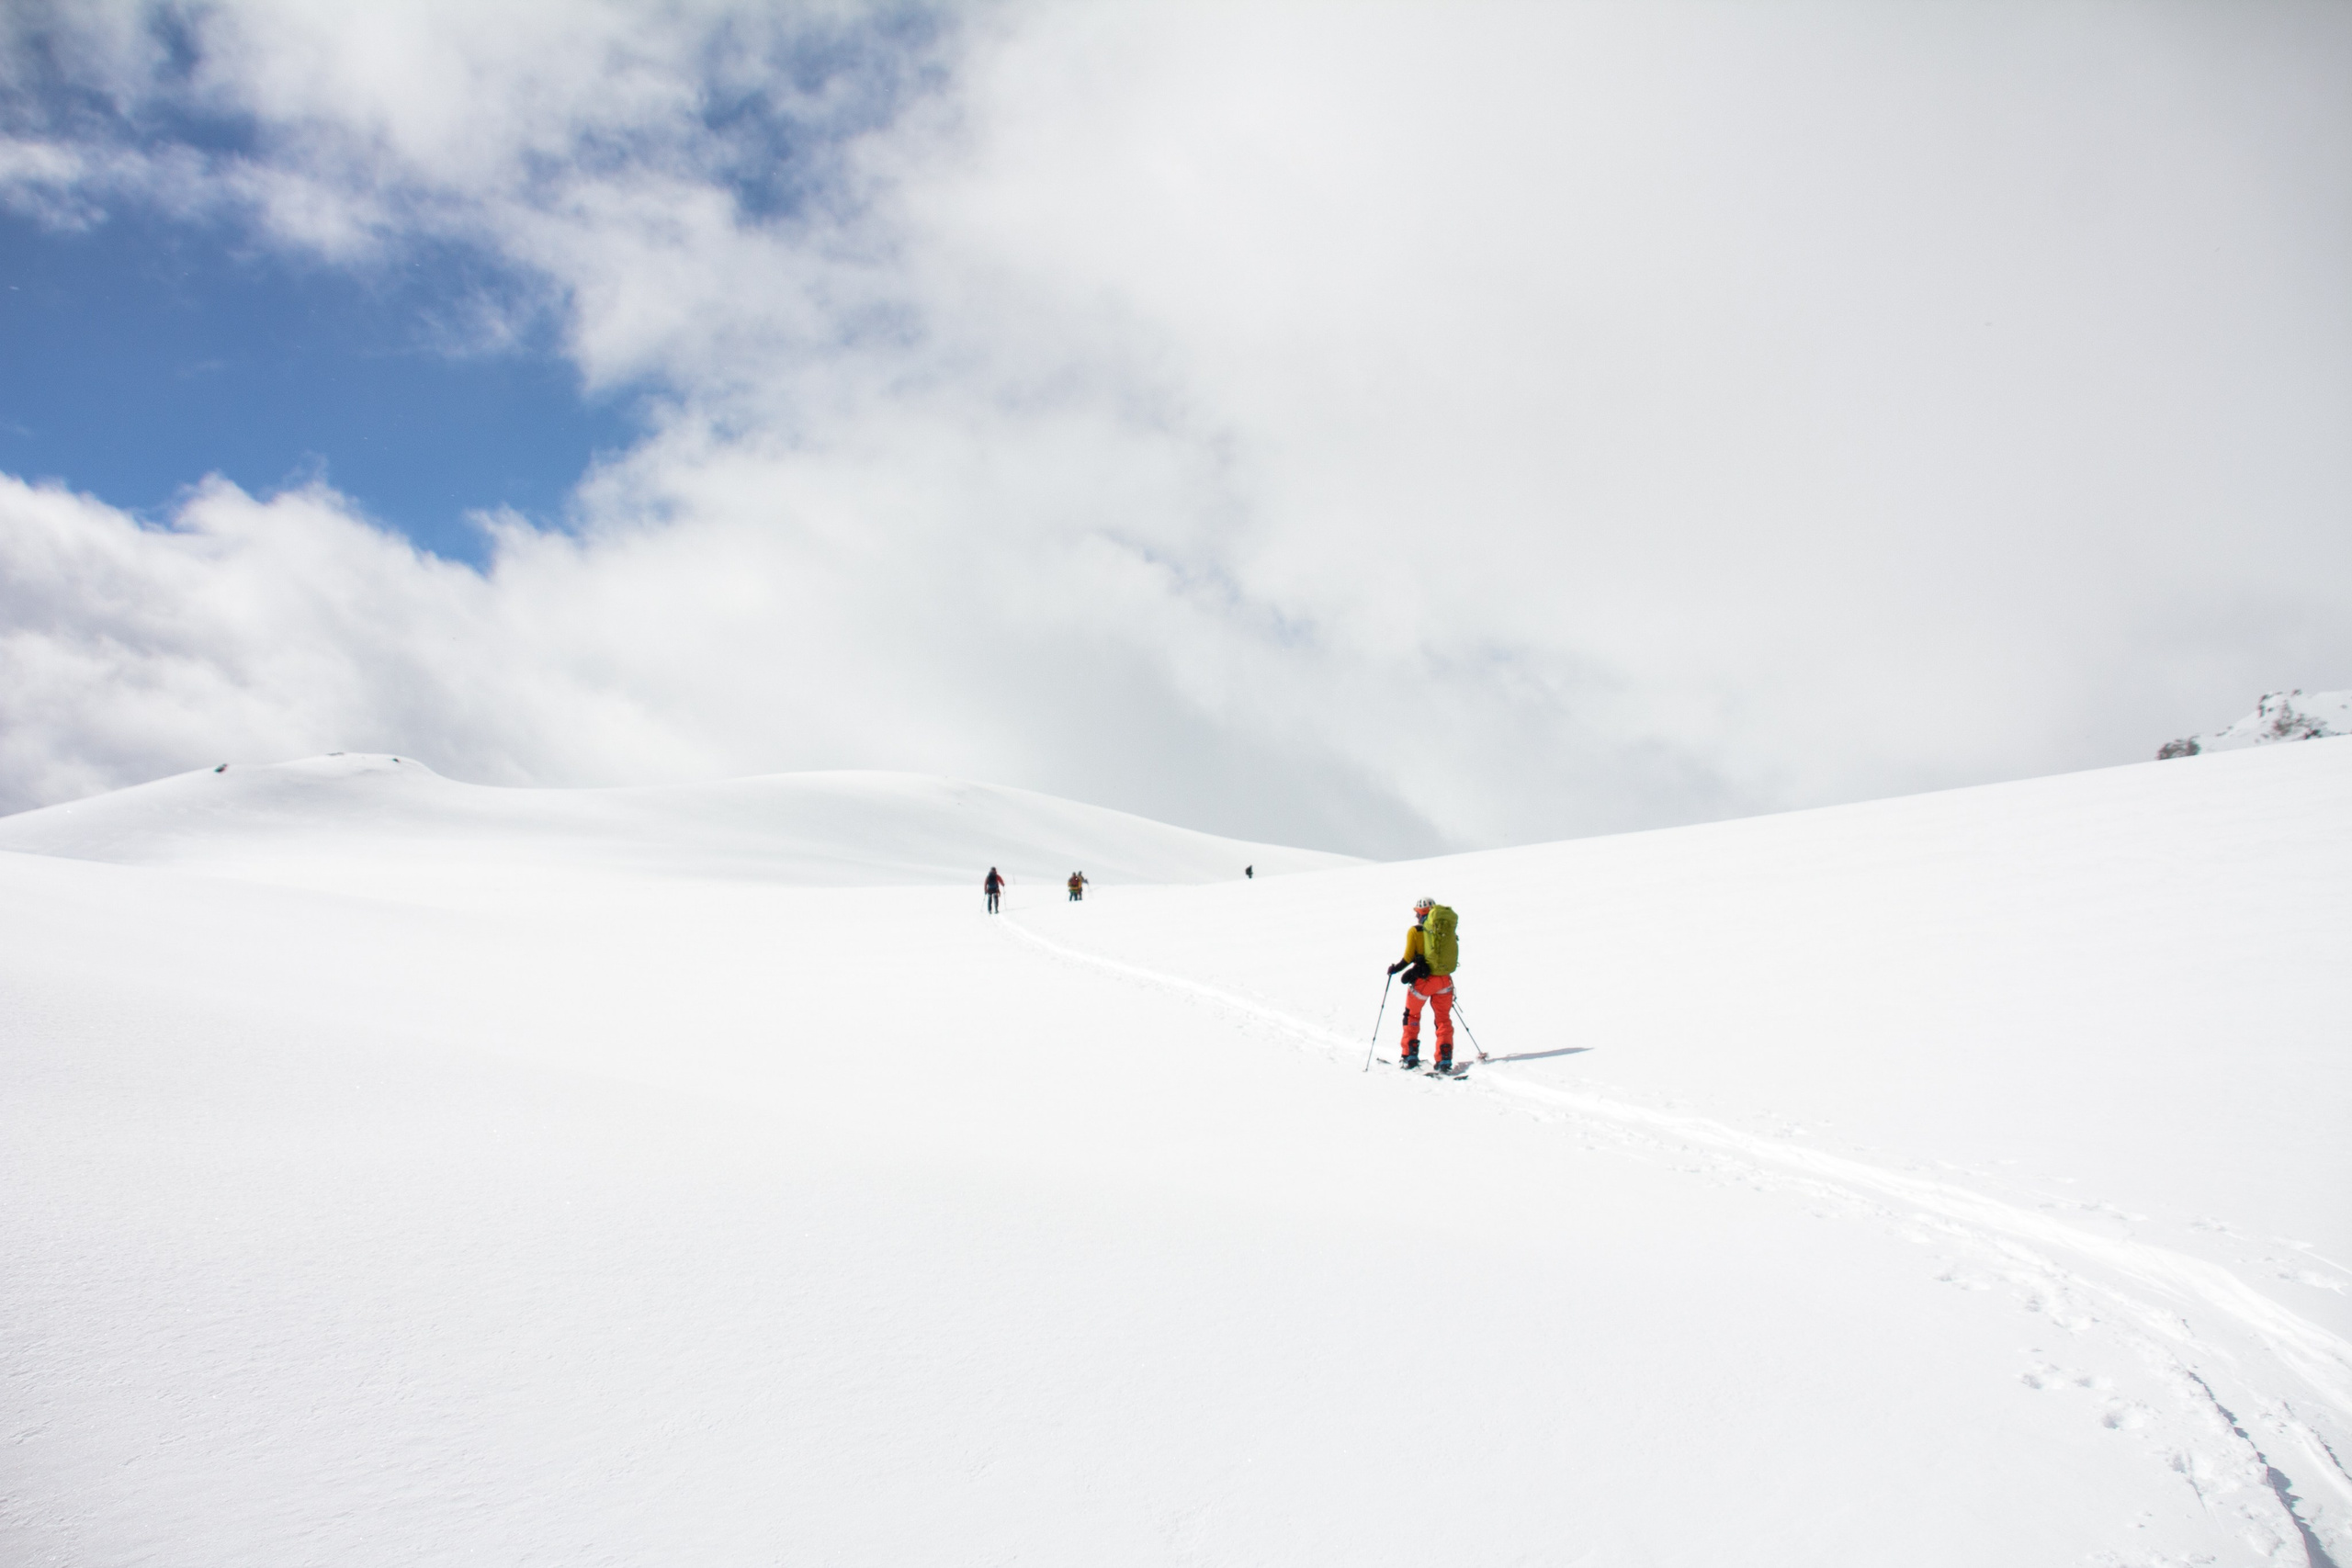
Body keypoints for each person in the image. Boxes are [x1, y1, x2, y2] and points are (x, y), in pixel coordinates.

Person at [1385, 896, 1457, 1073]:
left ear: (1419, 913)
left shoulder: (1416, 931)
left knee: (1412, 1016)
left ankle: (1410, 1056)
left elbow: (1408, 958)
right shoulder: (1444, 932)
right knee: (1443, 1019)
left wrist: (1395, 969)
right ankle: (1444, 1059)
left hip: (1424, 982)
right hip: (1445, 980)